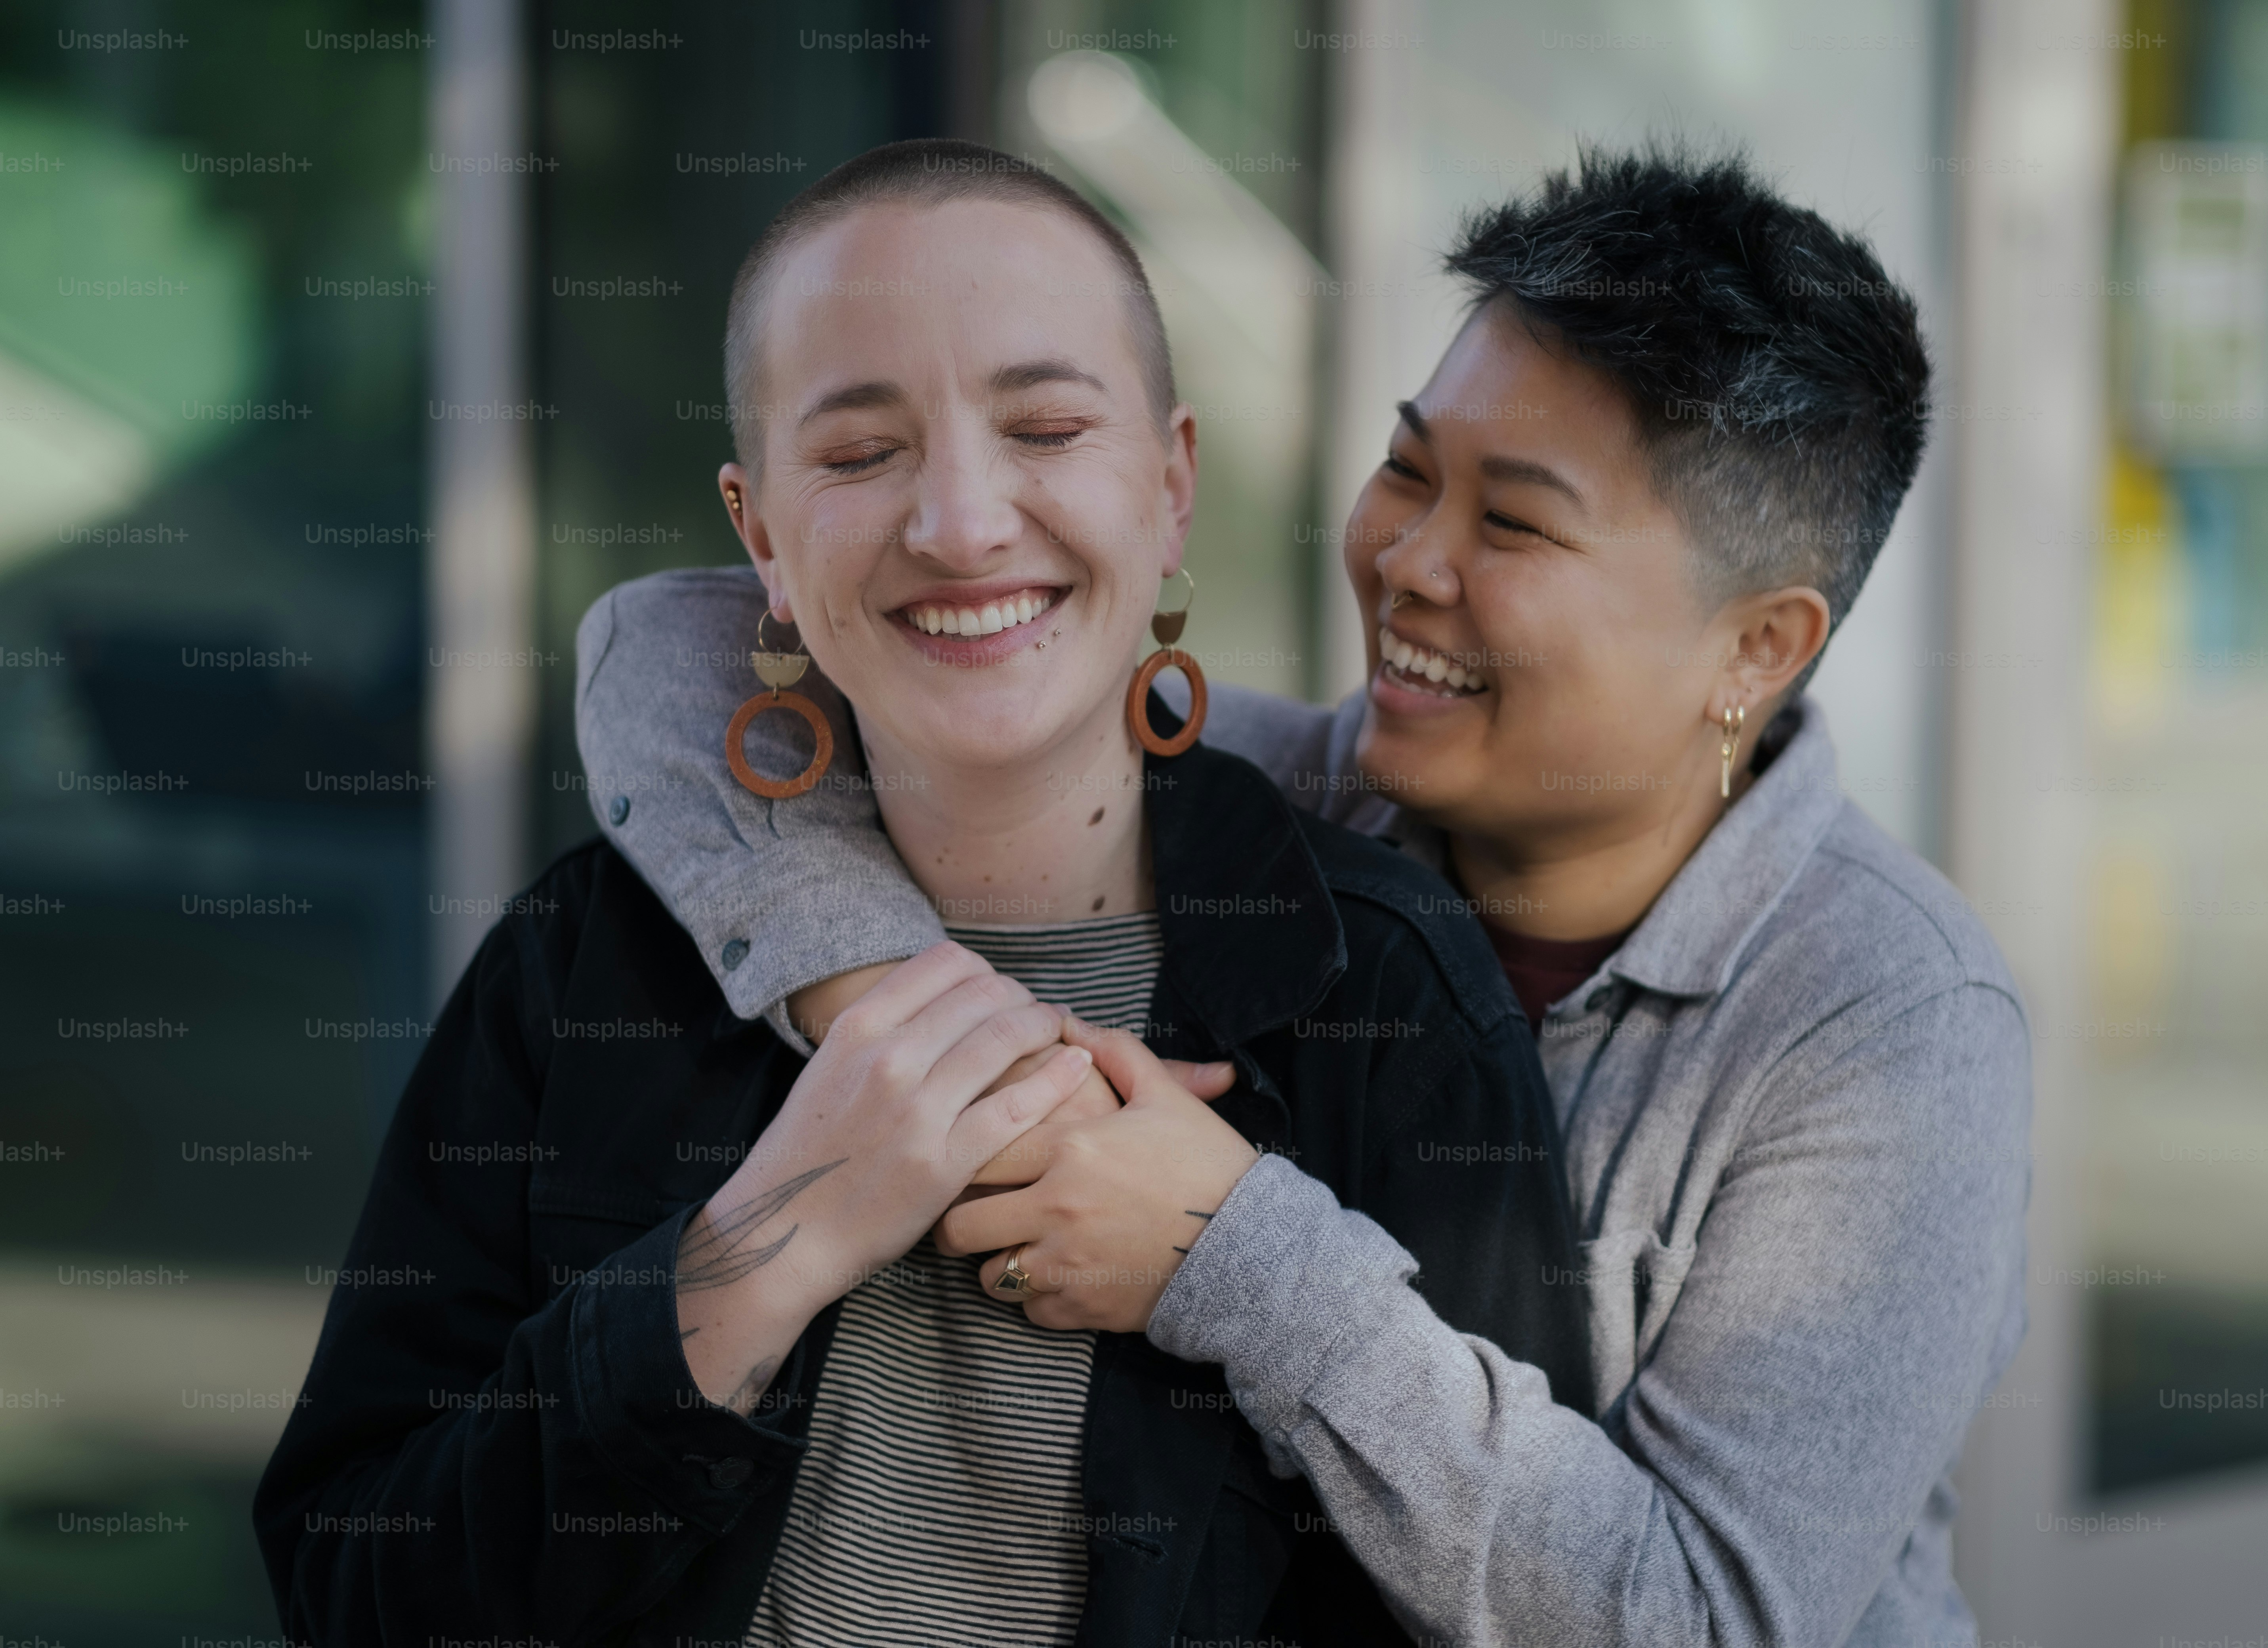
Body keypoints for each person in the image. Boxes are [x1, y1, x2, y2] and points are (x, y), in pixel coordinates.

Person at [582, 145, 2035, 1647]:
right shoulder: (1248, 801)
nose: (1408, 560)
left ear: (1755, 649)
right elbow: (664, 650)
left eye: (1515, 525)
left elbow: (1700, 1619)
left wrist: (1231, 1253)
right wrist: (893, 1014)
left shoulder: (1895, 1029)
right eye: (1411, 469)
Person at [255, 139, 1590, 1647]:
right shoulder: (587, 960)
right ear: (759, 534)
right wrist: (758, 1250)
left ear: (1170, 488)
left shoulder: (1387, 1000)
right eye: (858, 453)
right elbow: (356, 1592)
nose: (960, 524)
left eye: (1045, 426)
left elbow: (1520, 1602)